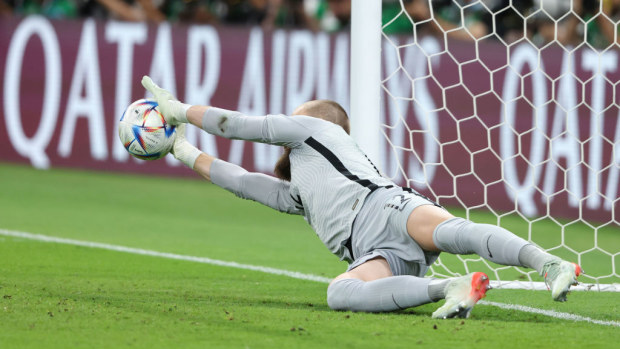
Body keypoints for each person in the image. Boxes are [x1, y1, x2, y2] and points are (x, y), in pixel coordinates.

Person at [140, 75, 583, 319]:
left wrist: (179, 111)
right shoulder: (301, 192)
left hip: (386, 207)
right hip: (372, 251)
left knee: (457, 234)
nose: (285, 124)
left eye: (294, 116)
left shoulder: (318, 129)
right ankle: (448, 287)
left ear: (315, 119)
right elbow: (240, 181)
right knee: (340, 293)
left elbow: (235, 124)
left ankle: (550, 264)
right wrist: (182, 150)